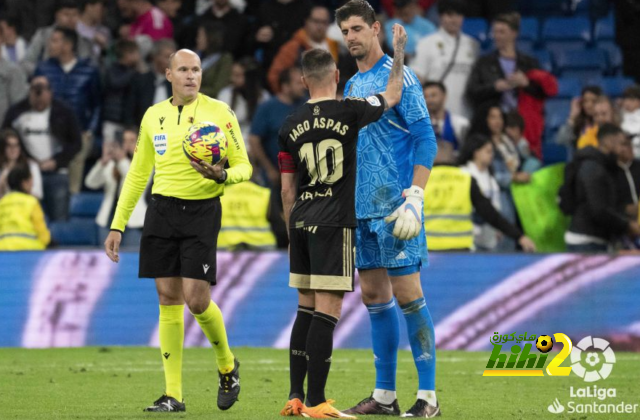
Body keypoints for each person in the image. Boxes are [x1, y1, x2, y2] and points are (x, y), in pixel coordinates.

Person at [104, 49, 252, 412]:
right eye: (183, 69)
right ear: (168, 74)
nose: (191, 75)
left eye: (196, 69)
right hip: (162, 210)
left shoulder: (220, 113)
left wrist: (223, 175)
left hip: (202, 211)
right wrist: (117, 224)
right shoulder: (153, 117)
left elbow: (244, 166)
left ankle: (227, 367)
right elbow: (139, 174)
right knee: (168, 298)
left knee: (197, 300)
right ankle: (174, 395)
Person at [279, 24, 407, 418]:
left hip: (300, 220)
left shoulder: (288, 125)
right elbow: (393, 94)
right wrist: (397, 54)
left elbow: (286, 190)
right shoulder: (349, 109)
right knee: (327, 312)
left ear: (303, 81)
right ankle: (316, 402)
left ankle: (295, 397)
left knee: (304, 309)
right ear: (336, 77)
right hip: (334, 223)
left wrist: (291, 232)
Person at [336, 1, 440, 417]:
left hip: (396, 208)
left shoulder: (403, 78)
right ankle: (384, 396)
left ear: (376, 28)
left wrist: (416, 194)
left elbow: (426, 138)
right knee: (374, 298)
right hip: (361, 210)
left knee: (409, 296)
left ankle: (428, 398)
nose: (351, 38)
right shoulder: (351, 87)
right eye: (345, 31)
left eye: (358, 28)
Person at [3, 76, 82, 221]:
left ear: (50, 92)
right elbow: (6, 138)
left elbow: (76, 143)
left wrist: (56, 161)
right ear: (29, 92)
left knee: (59, 218)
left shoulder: (64, 112)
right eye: (35, 92)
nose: (39, 100)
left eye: (42, 93)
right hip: (27, 173)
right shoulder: (16, 112)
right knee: (27, 217)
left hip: (57, 173)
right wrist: (26, 160)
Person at [34, 26, 101, 195]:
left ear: (68, 45)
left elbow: (97, 103)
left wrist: (90, 131)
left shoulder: (89, 70)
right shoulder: (43, 69)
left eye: (55, 40)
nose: (50, 45)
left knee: (73, 183)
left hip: (78, 133)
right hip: (47, 133)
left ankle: (70, 216)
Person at [249, 67, 306, 247]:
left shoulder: (306, 104)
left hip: (302, 178)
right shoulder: (268, 108)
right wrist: (269, 168)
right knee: (277, 222)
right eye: (297, 82)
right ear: (285, 86)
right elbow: (254, 139)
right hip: (274, 177)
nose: (302, 86)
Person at [564, 124, 640, 252]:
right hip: (586, 241)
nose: (622, 149)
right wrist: (627, 226)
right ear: (608, 142)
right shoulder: (593, 168)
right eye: (620, 143)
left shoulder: (603, 166)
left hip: (597, 238)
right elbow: (599, 210)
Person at [455, 135, 536, 252]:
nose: (491, 155)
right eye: (488, 151)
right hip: (470, 237)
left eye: (492, 151)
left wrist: (498, 229)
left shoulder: (491, 178)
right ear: (476, 153)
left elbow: (494, 207)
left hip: (489, 236)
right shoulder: (463, 174)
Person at [411, 0, 478, 118]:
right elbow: (416, 79)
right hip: (435, 114)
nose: (454, 19)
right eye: (449, 15)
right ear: (440, 16)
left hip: (466, 114)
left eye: (458, 15)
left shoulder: (472, 45)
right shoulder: (426, 43)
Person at [86, 127, 146, 247]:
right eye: (124, 140)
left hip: (133, 222)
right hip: (108, 220)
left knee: (131, 261)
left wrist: (122, 160)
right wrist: (103, 162)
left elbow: (133, 181)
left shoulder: (145, 162)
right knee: (106, 261)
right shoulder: (111, 164)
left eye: (132, 140)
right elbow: (90, 183)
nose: (128, 144)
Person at [267, 6, 339, 94]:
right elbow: (274, 76)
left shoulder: (335, 46)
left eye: (324, 22)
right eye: (316, 21)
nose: (320, 26)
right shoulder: (293, 47)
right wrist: (286, 100)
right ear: (306, 22)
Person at [21, 0, 94, 75]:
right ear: (57, 15)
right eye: (66, 14)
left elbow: (91, 67)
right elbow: (25, 64)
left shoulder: (84, 41)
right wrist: (44, 71)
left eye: (75, 15)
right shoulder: (43, 35)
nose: (71, 19)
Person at [124, 39, 176, 125]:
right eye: (167, 57)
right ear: (155, 57)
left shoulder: (177, 84)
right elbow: (130, 109)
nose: (172, 62)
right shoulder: (141, 80)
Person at [217, 58, 270, 141]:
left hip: (255, 145)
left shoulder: (264, 97)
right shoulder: (225, 95)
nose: (232, 79)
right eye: (233, 74)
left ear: (250, 78)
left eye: (237, 75)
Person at [0, 166, 50, 251]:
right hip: (29, 249)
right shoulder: (31, 202)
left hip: (3, 249)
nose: (32, 184)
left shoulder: (2, 202)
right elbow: (42, 232)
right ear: (24, 183)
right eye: (30, 180)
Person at [217, 179, 277, 251]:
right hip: (262, 252)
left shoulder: (220, 195)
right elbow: (278, 226)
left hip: (225, 251)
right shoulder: (264, 194)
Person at [422, 80, 469, 152]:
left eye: (433, 95)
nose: (429, 100)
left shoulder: (460, 124)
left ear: (444, 96)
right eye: (425, 96)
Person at [0, 128, 42, 200]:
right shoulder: (2, 169)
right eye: (9, 146)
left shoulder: (31, 166)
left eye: (16, 145)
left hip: (24, 206)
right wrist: (6, 172)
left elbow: (37, 194)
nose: (13, 149)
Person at [196, 21, 233, 98]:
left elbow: (218, 89)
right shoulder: (196, 55)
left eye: (200, 36)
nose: (197, 40)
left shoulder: (224, 59)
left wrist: (190, 91)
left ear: (211, 37)